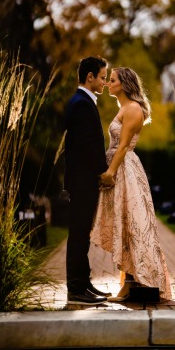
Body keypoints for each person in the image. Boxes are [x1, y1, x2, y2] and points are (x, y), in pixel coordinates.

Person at [91, 67, 171, 301]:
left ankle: (132, 284)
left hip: (125, 170)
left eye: (112, 80)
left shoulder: (133, 108)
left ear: (124, 84)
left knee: (131, 223)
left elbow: (124, 145)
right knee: (124, 224)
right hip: (119, 166)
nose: (107, 84)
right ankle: (128, 284)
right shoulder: (124, 108)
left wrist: (111, 172)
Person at [64, 56, 112, 305]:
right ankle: (75, 289)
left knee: (82, 235)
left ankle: (84, 284)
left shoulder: (83, 101)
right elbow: (85, 146)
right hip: (82, 181)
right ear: (90, 76)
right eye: (103, 77)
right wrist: (104, 172)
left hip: (83, 181)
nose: (105, 82)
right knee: (78, 235)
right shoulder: (82, 104)